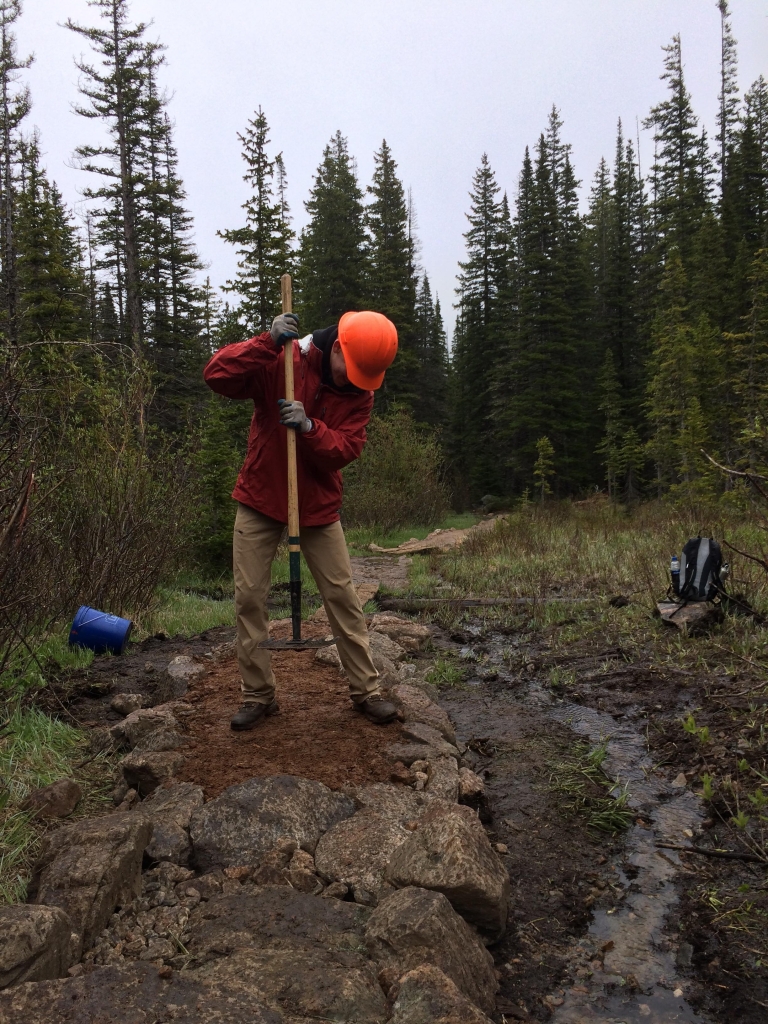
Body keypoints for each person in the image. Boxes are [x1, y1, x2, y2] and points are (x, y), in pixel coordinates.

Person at [203, 309, 399, 730]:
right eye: (355, 369)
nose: (356, 381)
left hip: (317, 507)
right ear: (339, 347)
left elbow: (345, 449)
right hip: (261, 497)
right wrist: (265, 343)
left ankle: (366, 690)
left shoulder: (360, 391)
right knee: (249, 598)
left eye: (367, 376)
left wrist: (310, 427)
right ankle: (259, 696)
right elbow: (216, 376)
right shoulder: (284, 358)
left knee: (343, 597)